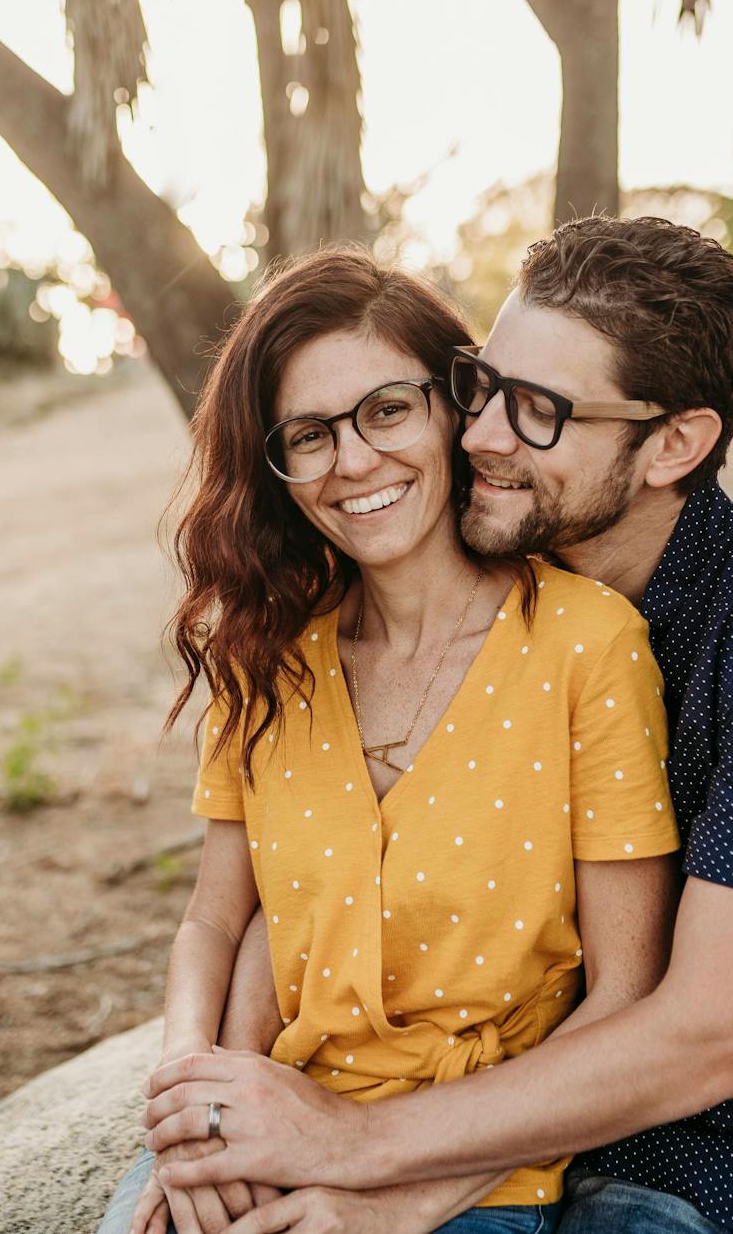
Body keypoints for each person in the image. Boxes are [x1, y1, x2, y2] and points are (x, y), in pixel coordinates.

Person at [140, 217, 733, 1234]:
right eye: (478, 384)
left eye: (538, 410)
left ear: (673, 442)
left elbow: (711, 1036)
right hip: (627, 1167)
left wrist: (354, 1150)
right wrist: (219, 1112)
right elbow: (287, 888)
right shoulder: (441, 616)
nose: (482, 432)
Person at [100, 247, 684, 1234]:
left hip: (467, 1175)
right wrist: (190, 1108)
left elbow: (623, 995)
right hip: (258, 1126)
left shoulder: (585, 645)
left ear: (457, 407)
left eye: (385, 410)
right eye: (310, 433)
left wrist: (396, 1199)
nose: (354, 461)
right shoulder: (267, 654)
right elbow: (214, 918)